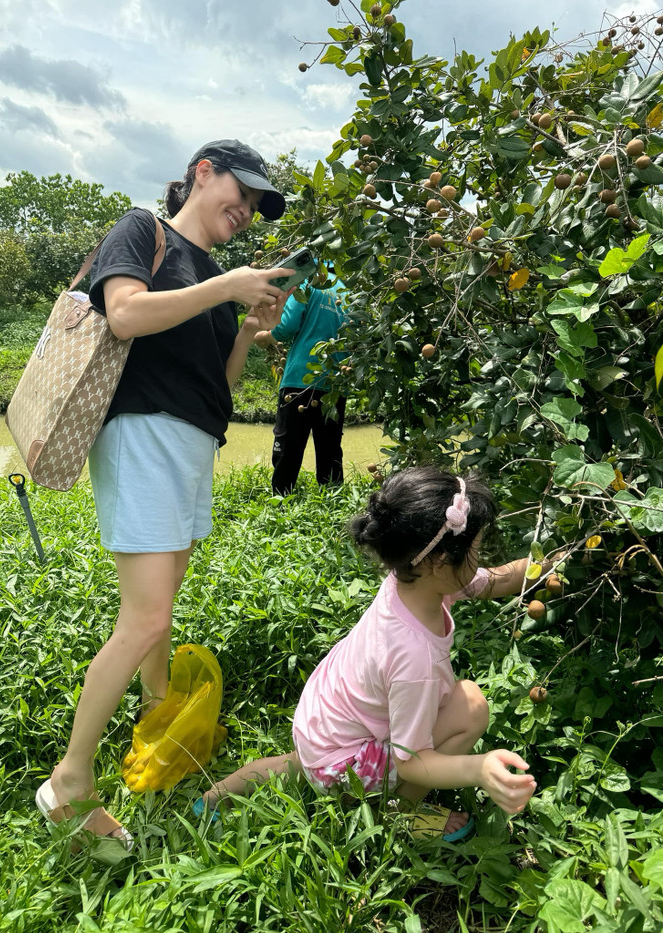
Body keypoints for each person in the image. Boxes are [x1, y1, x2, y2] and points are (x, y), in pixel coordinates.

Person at [35, 139, 296, 858]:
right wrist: (225, 288)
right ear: (202, 173)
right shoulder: (142, 231)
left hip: (189, 442)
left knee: (163, 604)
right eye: (242, 193)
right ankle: (69, 781)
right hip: (141, 434)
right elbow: (124, 315)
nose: (246, 212)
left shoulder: (216, 276)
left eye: (257, 207)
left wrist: (248, 330)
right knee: (146, 616)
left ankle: (155, 715)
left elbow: (217, 382)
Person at [195, 466, 546, 839]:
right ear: (441, 560)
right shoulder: (415, 658)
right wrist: (478, 767)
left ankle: (213, 797)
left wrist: (547, 563)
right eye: (475, 547)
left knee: (299, 764)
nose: (479, 555)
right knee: (471, 706)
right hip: (345, 764)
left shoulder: (409, 576)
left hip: (321, 728)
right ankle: (398, 814)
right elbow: (412, 763)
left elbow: (490, 581)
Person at [253, 272, 348, 495]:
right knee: (330, 449)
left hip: (300, 379)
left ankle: (281, 499)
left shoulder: (307, 283)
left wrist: (267, 337)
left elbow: (287, 325)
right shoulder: (346, 291)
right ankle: (333, 498)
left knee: (288, 446)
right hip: (335, 382)